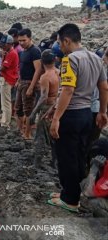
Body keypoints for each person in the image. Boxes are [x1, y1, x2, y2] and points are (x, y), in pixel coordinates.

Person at [48, 23, 108, 213]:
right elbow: (104, 87)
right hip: (86, 114)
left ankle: (71, 200)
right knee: (79, 155)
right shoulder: (96, 58)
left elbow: (67, 90)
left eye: (60, 43)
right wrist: (102, 112)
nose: (60, 47)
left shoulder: (69, 60)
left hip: (71, 114)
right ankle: (70, 192)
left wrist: (57, 117)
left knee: (67, 157)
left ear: (66, 40)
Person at [28, 50, 59, 168]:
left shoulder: (45, 77)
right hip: (56, 106)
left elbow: (43, 97)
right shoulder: (58, 72)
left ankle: (37, 163)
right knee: (54, 137)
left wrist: (33, 113)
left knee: (40, 137)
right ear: (55, 59)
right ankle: (55, 162)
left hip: (47, 108)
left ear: (42, 62)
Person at [16, 28, 42, 139]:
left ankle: (28, 134)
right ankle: (21, 130)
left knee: (28, 110)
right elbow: (22, 67)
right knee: (18, 109)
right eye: (19, 41)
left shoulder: (35, 51)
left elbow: (38, 70)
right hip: (22, 82)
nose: (21, 43)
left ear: (30, 38)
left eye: (24, 40)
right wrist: (19, 80)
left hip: (30, 83)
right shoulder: (23, 52)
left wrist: (31, 87)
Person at [0, 35, 19, 129]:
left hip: (7, 79)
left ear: (9, 44)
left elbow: (3, 68)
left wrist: (2, 57)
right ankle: (5, 121)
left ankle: (6, 123)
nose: (2, 46)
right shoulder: (9, 52)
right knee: (5, 101)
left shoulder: (11, 53)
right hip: (7, 79)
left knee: (6, 102)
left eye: (4, 44)